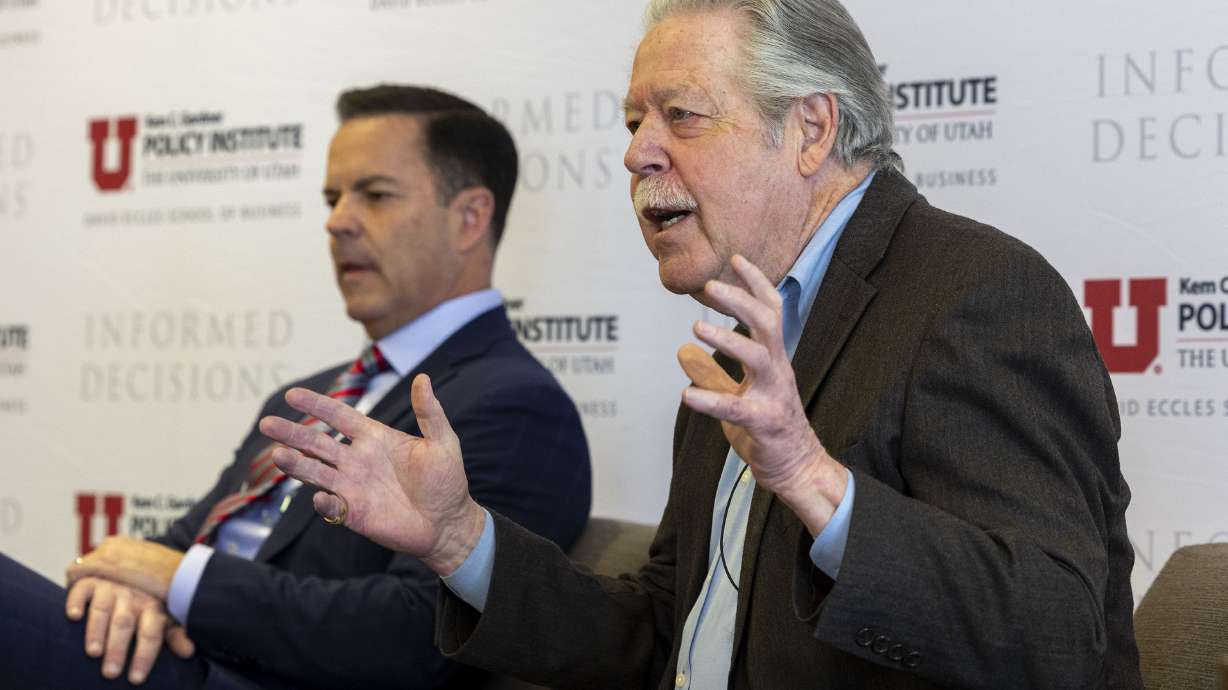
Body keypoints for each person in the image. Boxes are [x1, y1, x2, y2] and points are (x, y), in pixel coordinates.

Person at [260, 2, 1142, 688]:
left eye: (681, 116)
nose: (638, 154)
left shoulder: (975, 292)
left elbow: (1059, 635)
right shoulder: (745, 344)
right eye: (633, 122)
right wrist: (458, 538)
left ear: (811, 130)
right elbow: (661, 636)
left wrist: (811, 478)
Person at [2, 84, 591, 690]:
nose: (337, 222)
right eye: (333, 199)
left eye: (375, 195)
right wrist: (124, 584)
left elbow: (417, 635)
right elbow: (181, 544)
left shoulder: (515, 406)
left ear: (469, 218)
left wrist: (178, 582)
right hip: (168, 659)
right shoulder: (312, 393)